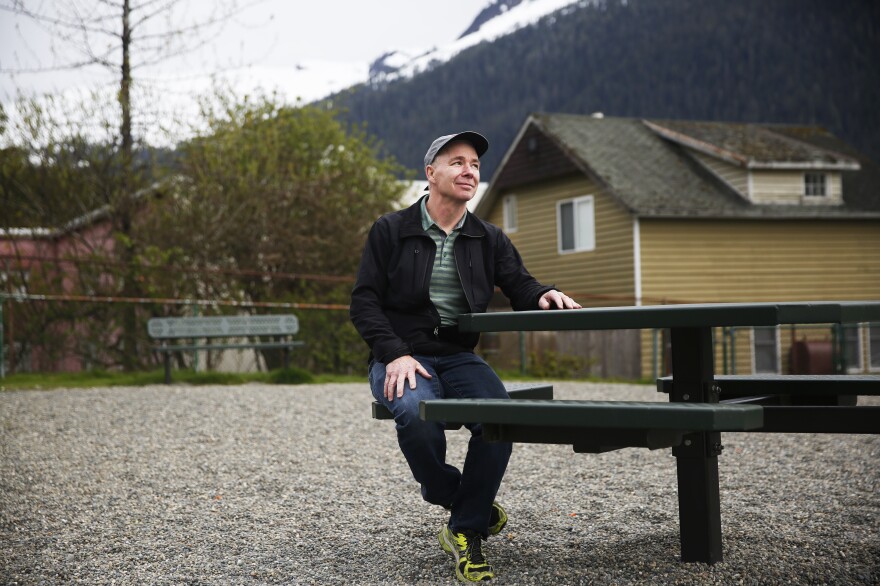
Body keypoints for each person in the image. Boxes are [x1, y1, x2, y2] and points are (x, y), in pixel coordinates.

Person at [350, 131, 581, 583]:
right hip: (402, 356)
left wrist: (545, 293)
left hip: (457, 357)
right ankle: (458, 498)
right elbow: (364, 302)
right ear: (430, 173)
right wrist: (394, 353)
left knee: (500, 418)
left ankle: (466, 530)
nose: (468, 170)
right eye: (456, 162)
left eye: (474, 163)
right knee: (417, 416)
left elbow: (520, 285)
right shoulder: (391, 230)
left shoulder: (486, 237)